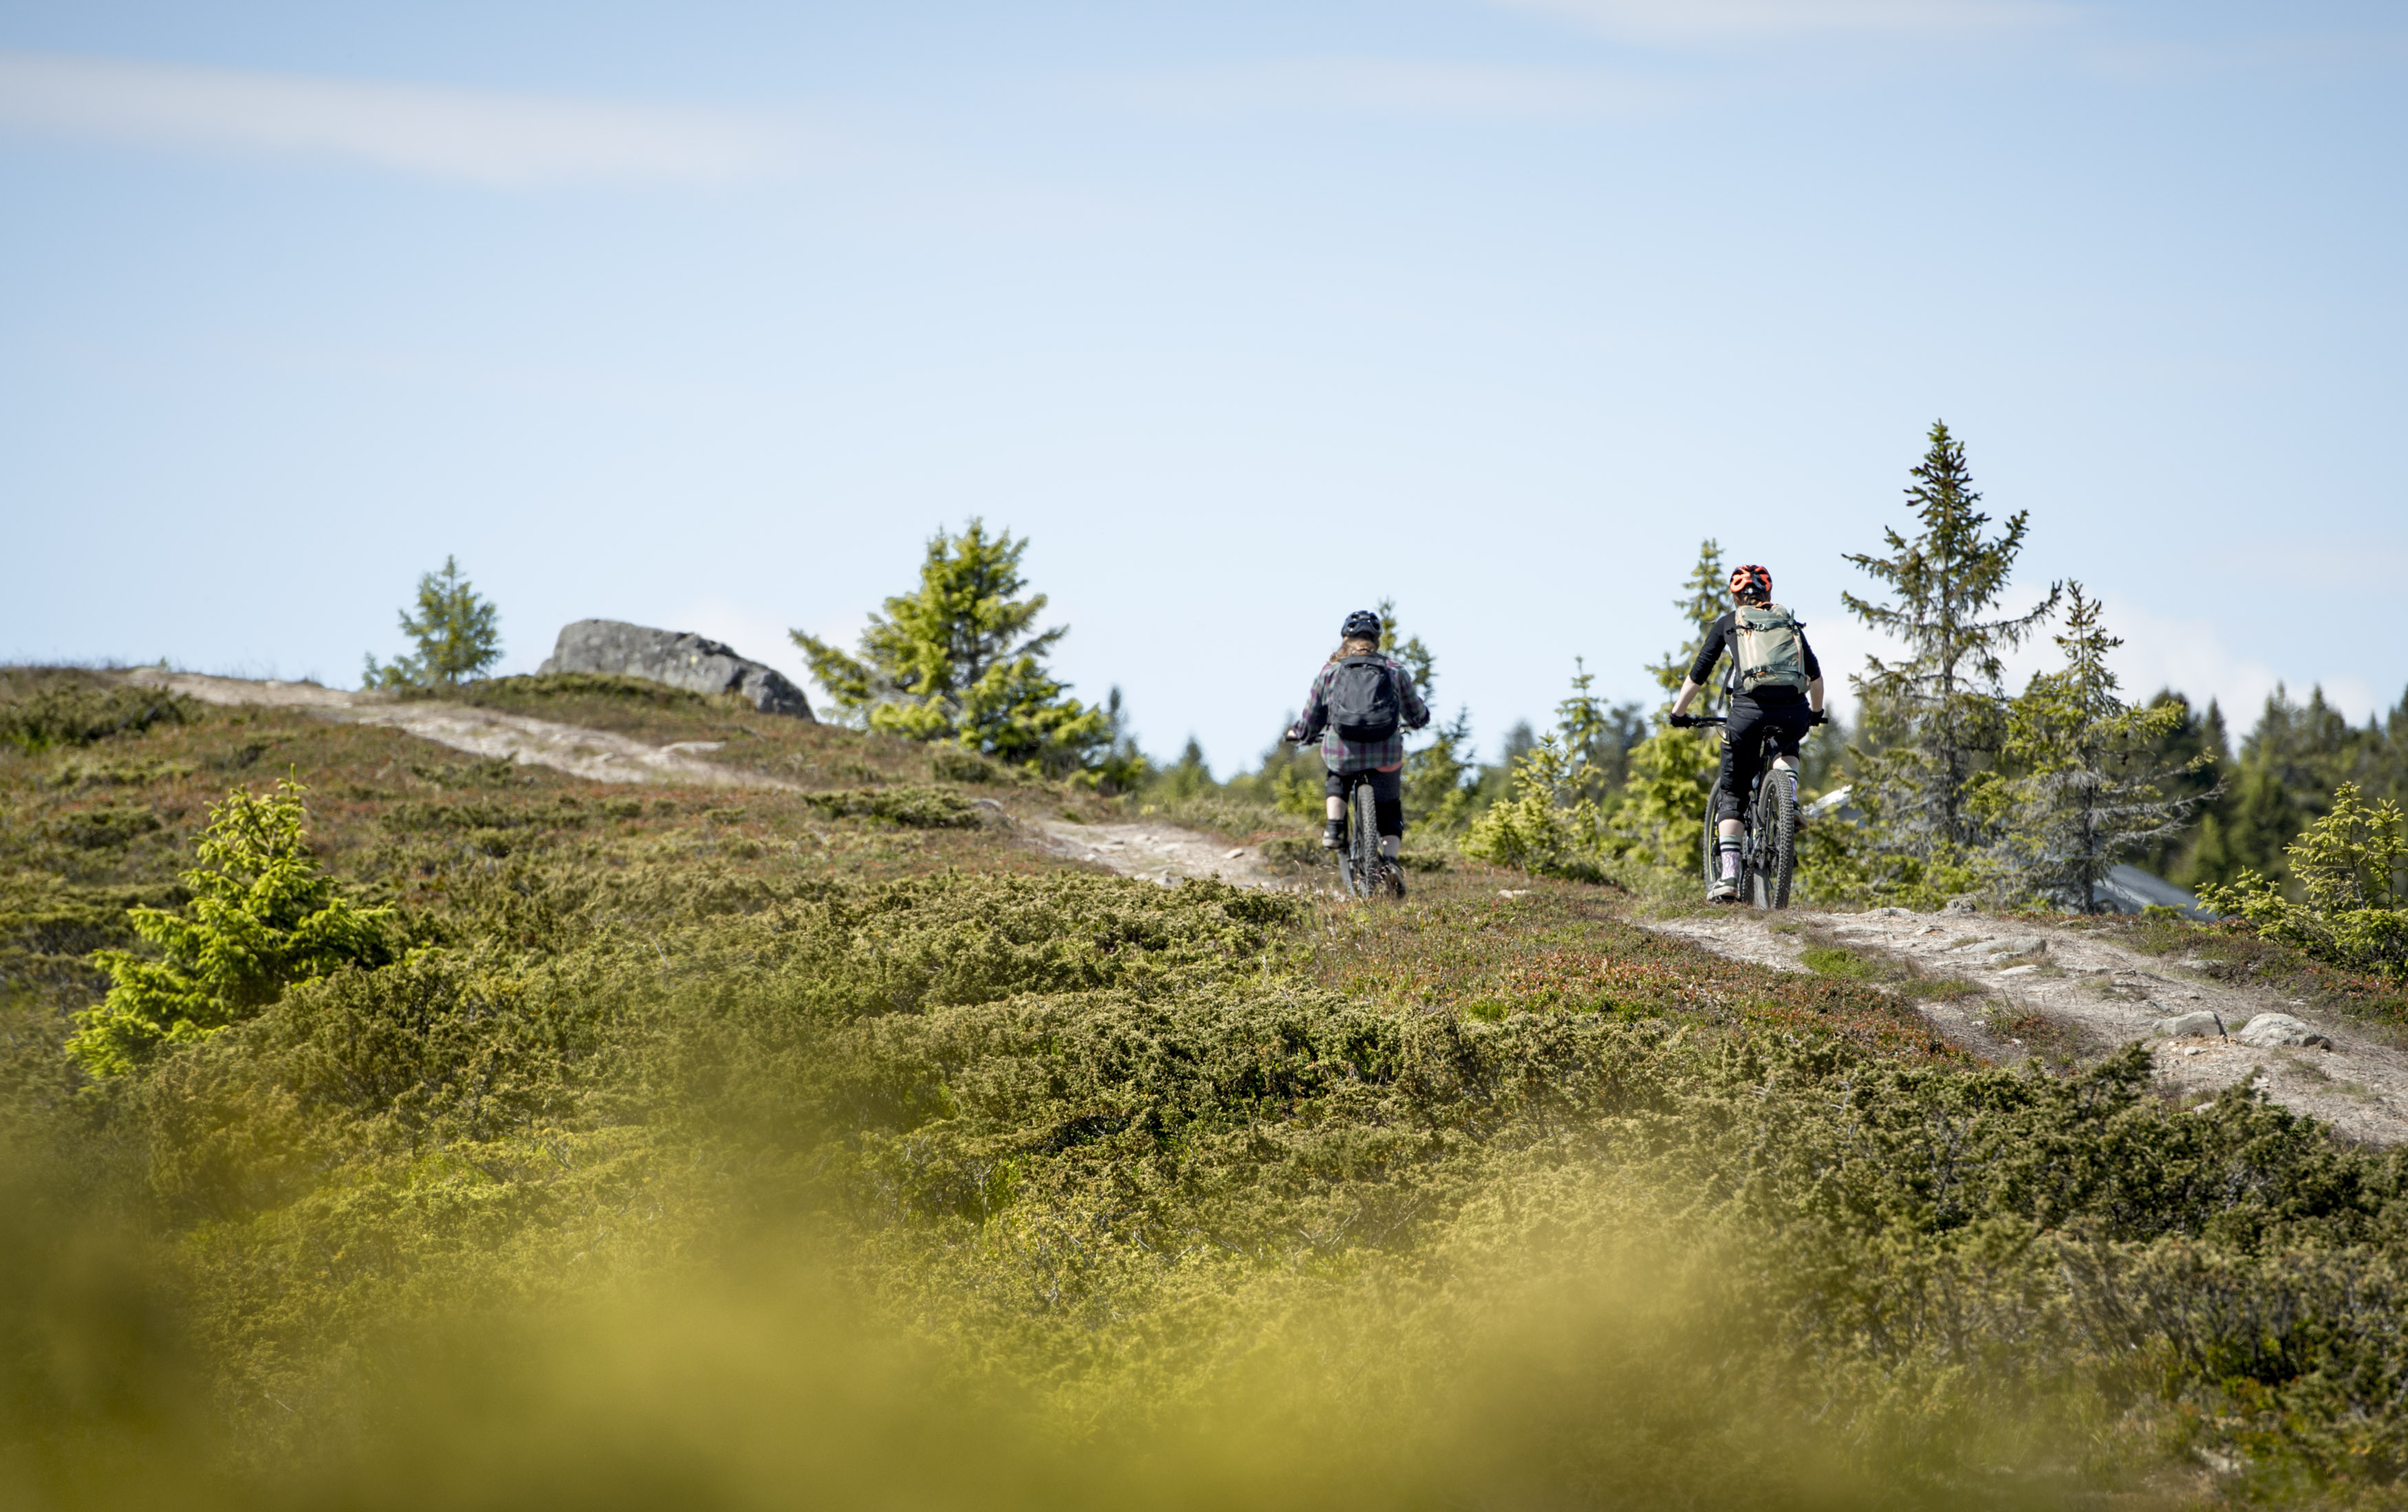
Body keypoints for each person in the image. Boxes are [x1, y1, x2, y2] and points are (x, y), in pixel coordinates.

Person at [1668, 564, 1825, 903]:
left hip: (1746, 713)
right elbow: (1815, 675)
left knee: (1734, 792)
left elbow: (1699, 674)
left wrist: (1678, 713)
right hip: (1793, 710)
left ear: (1736, 596)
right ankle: (1789, 797)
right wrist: (1815, 713)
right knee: (1788, 744)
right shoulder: (1787, 622)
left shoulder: (1729, 623)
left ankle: (1727, 876)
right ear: (1767, 594)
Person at [1286, 609, 1431, 889]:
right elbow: (1416, 712)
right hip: (1386, 753)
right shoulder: (1395, 671)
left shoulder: (1330, 672)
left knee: (1337, 775)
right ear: (1376, 641)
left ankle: (1333, 826)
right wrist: (1419, 720)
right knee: (1389, 806)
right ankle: (1390, 860)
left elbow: (1312, 714)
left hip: (1343, 751)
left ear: (1345, 640)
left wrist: (1300, 733)